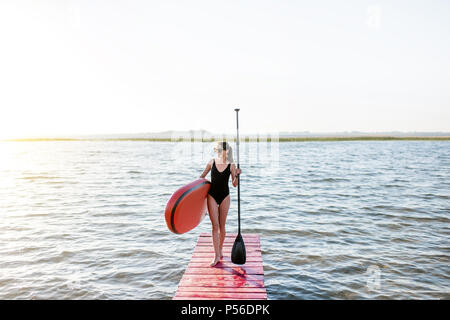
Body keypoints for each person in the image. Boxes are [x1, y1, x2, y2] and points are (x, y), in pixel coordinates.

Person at [199, 141, 241, 266]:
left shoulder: (231, 165)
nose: (217, 151)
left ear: (226, 151)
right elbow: (201, 177)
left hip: (225, 197)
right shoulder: (212, 162)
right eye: (216, 149)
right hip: (212, 196)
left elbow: (234, 184)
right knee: (215, 226)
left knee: (222, 226)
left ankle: (220, 249)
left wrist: (237, 175)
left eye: (219, 149)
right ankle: (216, 255)